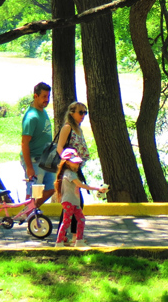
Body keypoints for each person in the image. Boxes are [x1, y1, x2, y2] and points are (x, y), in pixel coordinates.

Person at [54, 148, 107, 248]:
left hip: (74, 202)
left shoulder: (71, 173)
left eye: (78, 163)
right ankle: (59, 242)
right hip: (69, 202)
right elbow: (80, 185)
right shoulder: (69, 174)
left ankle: (79, 240)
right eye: (75, 163)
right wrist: (97, 188)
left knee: (81, 219)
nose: (77, 165)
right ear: (67, 162)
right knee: (66, 222)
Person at [56, 102, 91, 242]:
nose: (83, 115)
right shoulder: (67, 127)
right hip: (69, 170)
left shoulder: (78, 128)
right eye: (80, 112)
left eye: (85, 112)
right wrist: (68, 163)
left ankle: (68, 236)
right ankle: (73, 236)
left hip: (77, 168)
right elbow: (60, 147)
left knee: (73, 203)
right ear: (72, 112)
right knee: (74, 202)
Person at [20, 82, 55, 207]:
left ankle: (31, 212)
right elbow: (24, 144)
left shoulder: (43, 111)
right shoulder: (31, 117)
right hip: (34, 161)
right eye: (44, 97)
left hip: (47, 158)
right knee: (34, 193)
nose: (47, 100)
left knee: (52, 187)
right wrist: (29, 167)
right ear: (36, 96)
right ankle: (28, 215)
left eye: (48, 97)